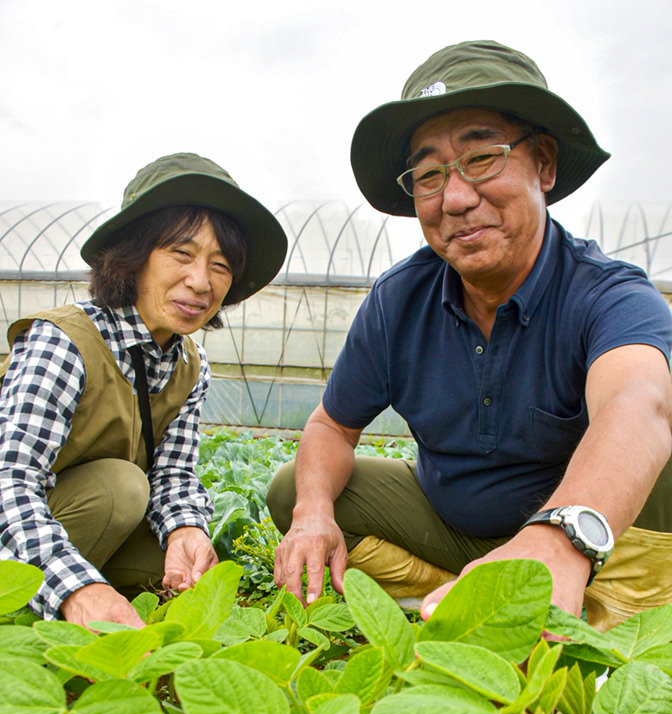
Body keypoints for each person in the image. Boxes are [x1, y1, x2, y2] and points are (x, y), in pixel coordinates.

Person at [268, 40, 672, 631]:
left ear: (545, 164)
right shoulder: (399, 300)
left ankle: (609, 618)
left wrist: (559, 540)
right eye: (429, 174)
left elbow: (639, 403)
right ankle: (456, 595)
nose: (455, 198)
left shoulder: (605, 293)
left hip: (586, 545)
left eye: (483, 158)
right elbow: (332, 425)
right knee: (293, 491)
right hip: (452, 527)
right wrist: (312, 514)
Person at [0, 152, 287, 628]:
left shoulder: (188, 365)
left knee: (179, 566)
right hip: (19, 533)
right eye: (181, 253)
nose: (200, 281)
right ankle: (41, 610)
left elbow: (173, 475)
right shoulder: (63, 341)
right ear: (134, 256)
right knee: (121, 487)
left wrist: (185, 529)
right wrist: (77, 588)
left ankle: (88, 610)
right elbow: (8, 479)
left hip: (74, 534)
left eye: (220, 264)